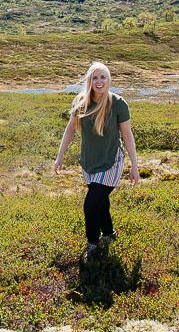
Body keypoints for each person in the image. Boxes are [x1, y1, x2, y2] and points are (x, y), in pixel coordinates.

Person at [53, 61, 140, 261]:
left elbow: (127, 135)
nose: (99, 81)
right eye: (95, 77)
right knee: (100, 201)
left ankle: (92, 245)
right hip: (89, 162)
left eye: (103, 77)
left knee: (91, 204)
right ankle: (109, 233)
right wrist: (60, 155)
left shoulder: (118, 103)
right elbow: (70, 130)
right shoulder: (81, 101)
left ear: (109, 80)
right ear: (89, 81)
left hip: (111, 162)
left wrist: (134, 166)